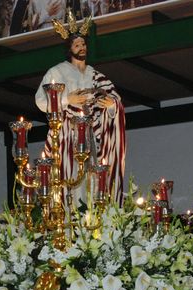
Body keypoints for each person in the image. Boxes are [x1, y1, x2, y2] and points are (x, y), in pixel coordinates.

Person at [35, 11, 126, 206]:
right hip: (67, 135)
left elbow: (114, 98)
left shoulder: (96, 75)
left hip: (92, 136)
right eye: (77, 45)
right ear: (70, 49)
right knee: (68, 178)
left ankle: (92, 220)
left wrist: (111, 106)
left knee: (94, 180)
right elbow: (41, 101)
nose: (82, 47)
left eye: (83, 44)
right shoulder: (57, 72)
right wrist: (67, 99)